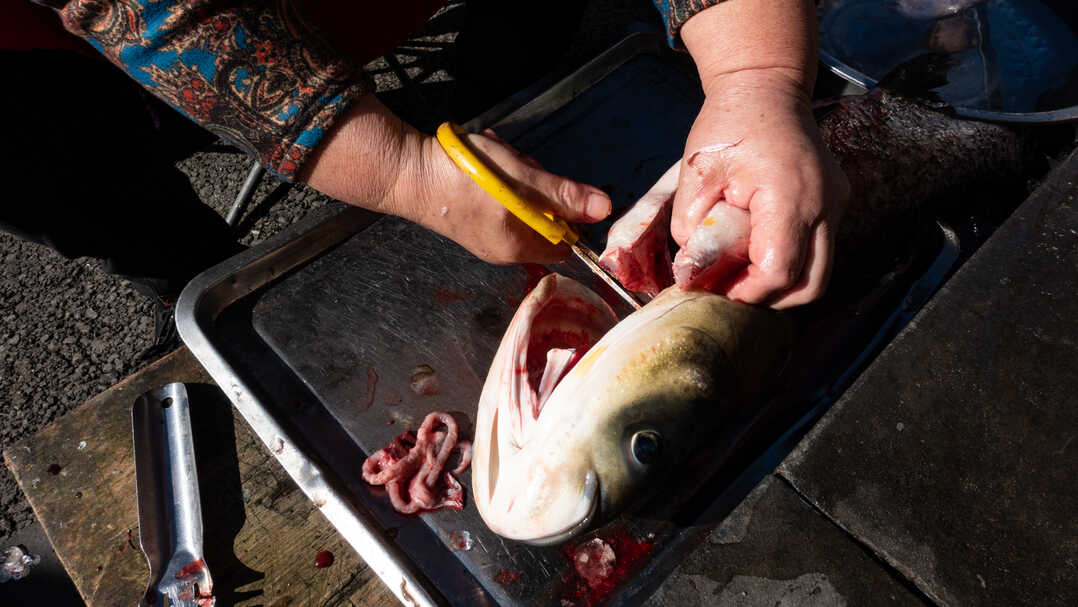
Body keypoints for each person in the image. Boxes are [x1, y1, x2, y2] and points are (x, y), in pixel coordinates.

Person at [36, 0, 848, 310]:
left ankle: (495, 88)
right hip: (58, 65)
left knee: (517, 46)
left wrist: (755, 79)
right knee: (89, 187)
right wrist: (401, 174)